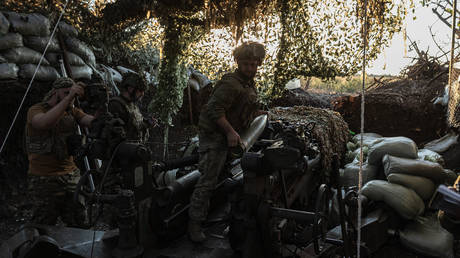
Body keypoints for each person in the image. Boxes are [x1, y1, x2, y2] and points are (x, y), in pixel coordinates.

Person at [188, 41, 268, 242]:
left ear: (258, 64)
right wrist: (231, 132)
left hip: (227, 135)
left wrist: (258, 114)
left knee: (222, 175)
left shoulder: (247, 84)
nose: (250, 68)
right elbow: (213, 110)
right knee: (207, 180)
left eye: (253, 64)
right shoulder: (231, 83)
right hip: (215, 136)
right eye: (245, 64)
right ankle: (194, 224)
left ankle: (213, 212)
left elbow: (240, 109)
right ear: (238, 63)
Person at [25, 77, 95, 227]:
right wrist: (70, 97)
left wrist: (101, 107)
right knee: (42, 225)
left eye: (72, 94)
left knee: (79, 221)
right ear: (55, 93)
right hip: (44, 178)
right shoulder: (36, 110)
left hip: (70, 176)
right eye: (66, 93)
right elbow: (44, 122)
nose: (70, 98)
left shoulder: (72, 111)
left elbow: (90, 121)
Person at [108, 72, 153, 143]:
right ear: (130, 88)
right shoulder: (116, 104)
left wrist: (146, 123)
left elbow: (134, 124)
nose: (142, 94)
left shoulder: (132, 104)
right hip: (122, 149)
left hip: (133, 148)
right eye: (140, 90)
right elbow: (117, 132)